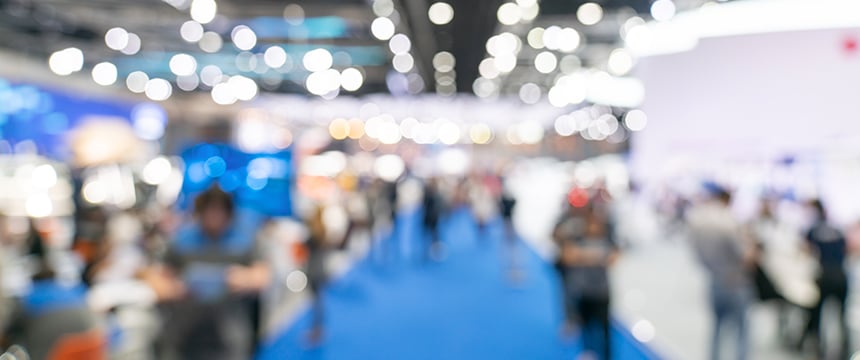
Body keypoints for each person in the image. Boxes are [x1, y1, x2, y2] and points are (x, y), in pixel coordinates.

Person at [156, 186, 270, 360]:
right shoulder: (182, 240)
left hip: (230, 332)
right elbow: (160, 278)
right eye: (209, 210)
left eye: (219, 210)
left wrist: (240, 278)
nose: (214, 216)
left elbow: (262, 276)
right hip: (185, 332)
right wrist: (178, 287)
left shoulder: (244, 240)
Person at [686, 189, 754, 360]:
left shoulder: (698, 220)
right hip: (735, 281)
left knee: (717, 328)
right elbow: (744, 256)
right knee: (742, 331)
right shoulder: (730, 222)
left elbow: (694, 251)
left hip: (714, 279)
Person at [562, 208, 619, 360]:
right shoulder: (577, 237)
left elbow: (614, 258)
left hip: (602, 292)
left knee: (605, 329)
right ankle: (588, 353)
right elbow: (568, 256)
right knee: (585, 326)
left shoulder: (607, 239)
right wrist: (598, 257)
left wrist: (583, 256)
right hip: (583, 291)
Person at [800, 199, 850, 358]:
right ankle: (844, 350)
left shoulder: (812, 230)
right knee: (841, 316)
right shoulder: (837, 230)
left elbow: (805, 251)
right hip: (840, 275)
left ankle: (818, 350)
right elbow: (846, 249)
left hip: (823, 277)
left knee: (817, 315)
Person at [422, 178, 445, 261]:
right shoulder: (428, 194)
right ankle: (429, 251)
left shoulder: (435, 195)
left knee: (434, 235)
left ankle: (435, 251)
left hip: (433, 218)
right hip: (429, 218)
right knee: (429, 236)